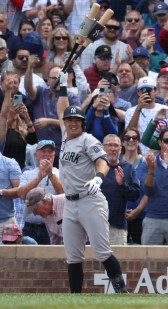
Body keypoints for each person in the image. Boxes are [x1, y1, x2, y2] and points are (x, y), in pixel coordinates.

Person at [56, 72, 128, 293]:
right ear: (66, 123)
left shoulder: (88, 139)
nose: (73, 123)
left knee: (102, 251)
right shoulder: (66, 137)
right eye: (70, 120)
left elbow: (102, 161)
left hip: (90, 200)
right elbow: (61, 108)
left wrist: (99, 177)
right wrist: (62, 86)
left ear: (82, 122)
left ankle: (122, 291)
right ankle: (76, 299)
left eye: (77, 120)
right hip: (70, 203)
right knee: (73, 256)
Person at [17, 140, 64, 245]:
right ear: (36, 154)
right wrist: (39, 177)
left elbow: (64, 194)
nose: (47, 154)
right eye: (43, 151)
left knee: (51, 259)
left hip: (52, 228)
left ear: (54, 155)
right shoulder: (27, 174)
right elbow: (21, 194)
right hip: (30, 226)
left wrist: (50, 174)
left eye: (50, 151)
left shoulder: (61, 173)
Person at [100, 134, 141, 245]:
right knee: (92, 261)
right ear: (103, 148)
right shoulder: (94, 166)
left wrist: (122, 184)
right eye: (109, 145)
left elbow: (135, 195)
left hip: (117, 227)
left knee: (118, 260)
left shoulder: (127, 167)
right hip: (95, 225)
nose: (113, 149)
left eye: (116, 146)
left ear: (120, 149)